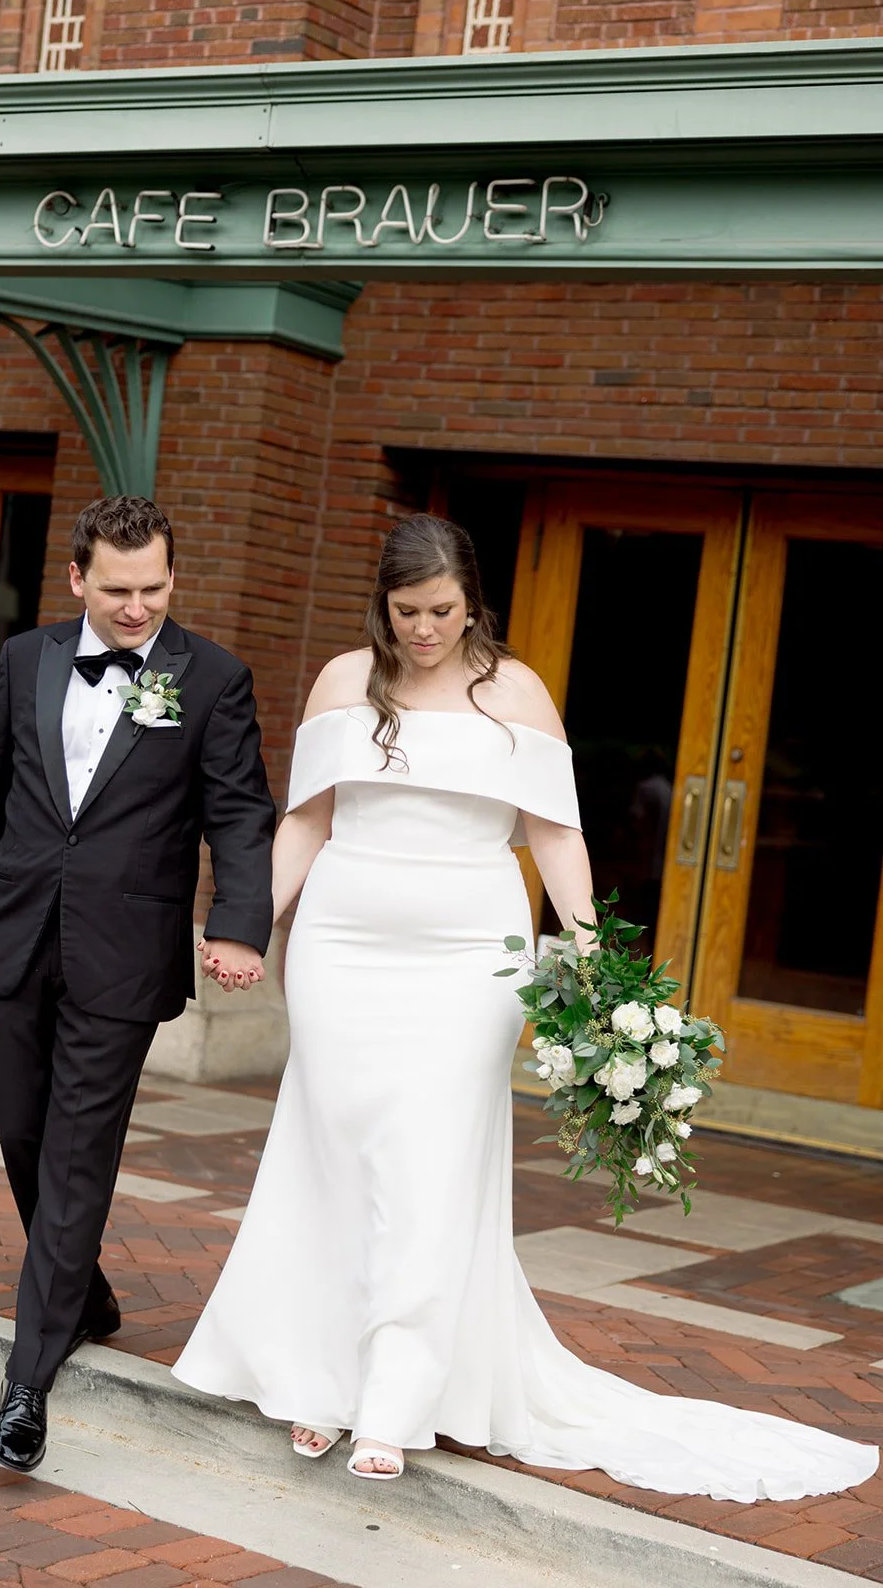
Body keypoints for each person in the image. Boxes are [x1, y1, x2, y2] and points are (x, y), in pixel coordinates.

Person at [173, 513, 878, 1500]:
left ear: (474, 605)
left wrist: (588, 957)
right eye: (407, 611)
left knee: (429, 1157)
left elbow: (556, 835)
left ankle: (398, 1396)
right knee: (332, 1151)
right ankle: (315, 1376)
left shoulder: (516, 692)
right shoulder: (344, 683)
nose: (424, 629)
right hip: (342, 947)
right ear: (383, 604)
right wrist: (247, 921)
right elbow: (307, 820)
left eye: (443, 612)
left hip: (472, 955)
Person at [0, 494, 275, 1474]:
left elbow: (239, 813)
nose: (137, 609)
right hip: (12, 928)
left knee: (79, 1156)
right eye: (118, 590)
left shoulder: (211, 678)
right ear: (78, 578)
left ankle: (28, 1383)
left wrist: (240, 925)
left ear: (174, 577)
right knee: (15, 1115)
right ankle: (80, 1290)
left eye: (155, 589)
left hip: (124, 950)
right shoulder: (23, 657)